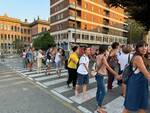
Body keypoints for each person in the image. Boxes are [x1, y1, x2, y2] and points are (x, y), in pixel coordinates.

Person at [123, 41, 150, 113]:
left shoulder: (143, 57)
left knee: (142, 106)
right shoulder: (138, 58)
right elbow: (146, 74)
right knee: (129, 107)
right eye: (141, 46)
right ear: (137, 48)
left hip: (142, 84)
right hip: (136, 85)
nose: (144, 48)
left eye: (146, 46)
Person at [95, 45, 121, 113]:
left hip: (98, 75)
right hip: (100, 75)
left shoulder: (98, 56)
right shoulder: (103, 57)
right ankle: (99, 108)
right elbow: (108, 67)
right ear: (105, 50)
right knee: (103, 91)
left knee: (99, 90)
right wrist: (116, 74)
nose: (109, 50)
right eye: (108, 49)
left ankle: (98, 104)